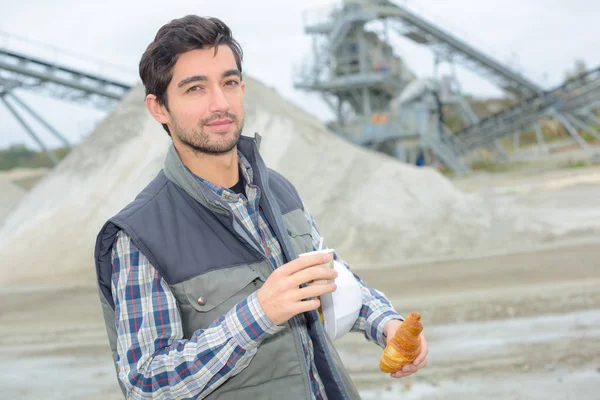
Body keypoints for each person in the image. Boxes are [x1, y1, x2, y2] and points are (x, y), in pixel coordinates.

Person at [94, 15, 428, 400]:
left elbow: (332, 276)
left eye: (229, 83)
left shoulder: (278, 190)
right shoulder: (139, 235)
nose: (220, 103)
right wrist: (258, 315)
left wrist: (386, 323)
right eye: (195, 89)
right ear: (159, 108)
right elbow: (147, 384)